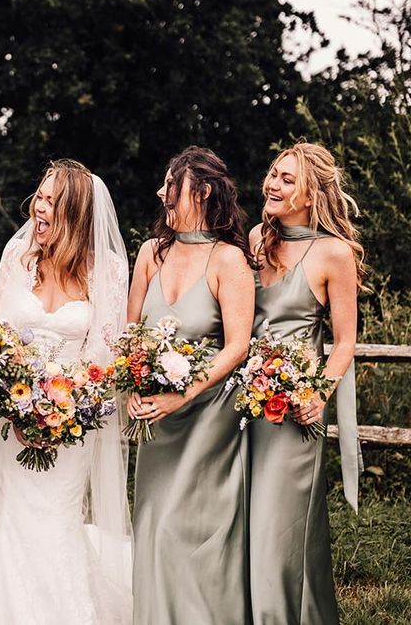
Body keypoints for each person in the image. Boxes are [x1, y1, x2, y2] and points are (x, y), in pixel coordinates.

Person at [0, 159, 133, 625]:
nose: (37, 208)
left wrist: (59, 416)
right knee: (11, 520)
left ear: (75, 212)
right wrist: (14, 406)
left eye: (50, 201)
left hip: (70, 427)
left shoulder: (109, 272)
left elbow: (102, 362)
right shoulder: (18, 259)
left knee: (54, 522)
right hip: (9, 421)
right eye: (38, 196)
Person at [127, 146, 254, 625]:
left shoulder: (229, 261)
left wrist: (181, 394)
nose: (161, 193)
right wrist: (134, 383)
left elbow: (236, 347)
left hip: (208, 418)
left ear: (199, 192)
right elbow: (131, 333)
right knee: (154, 528)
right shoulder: (151, 253)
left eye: (170, 185)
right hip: (157, 423)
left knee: (189, 532)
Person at [247, 142, 363, 624]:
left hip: (295, 412)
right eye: (273, 174)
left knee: (278, 532)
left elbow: (343, 342)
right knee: (245, 528)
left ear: (312, 193)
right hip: (242, 406)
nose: (273, 184)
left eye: (287, 179)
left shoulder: (334, 254)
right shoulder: (256, 239)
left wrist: (318, 394)